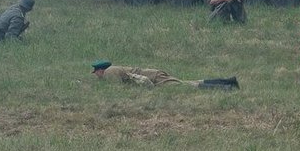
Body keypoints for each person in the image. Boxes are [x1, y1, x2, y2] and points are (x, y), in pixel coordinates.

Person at [91, 61, 238, 88]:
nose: (96, 75)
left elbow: (119, 88)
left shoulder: (110, 72)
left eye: (96, 73)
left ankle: (226, 88)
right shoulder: (114, 68)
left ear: (100, 70)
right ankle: (228, 82)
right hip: (154, 75)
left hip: (153, 79)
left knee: (187, 86)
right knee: (189, 82)